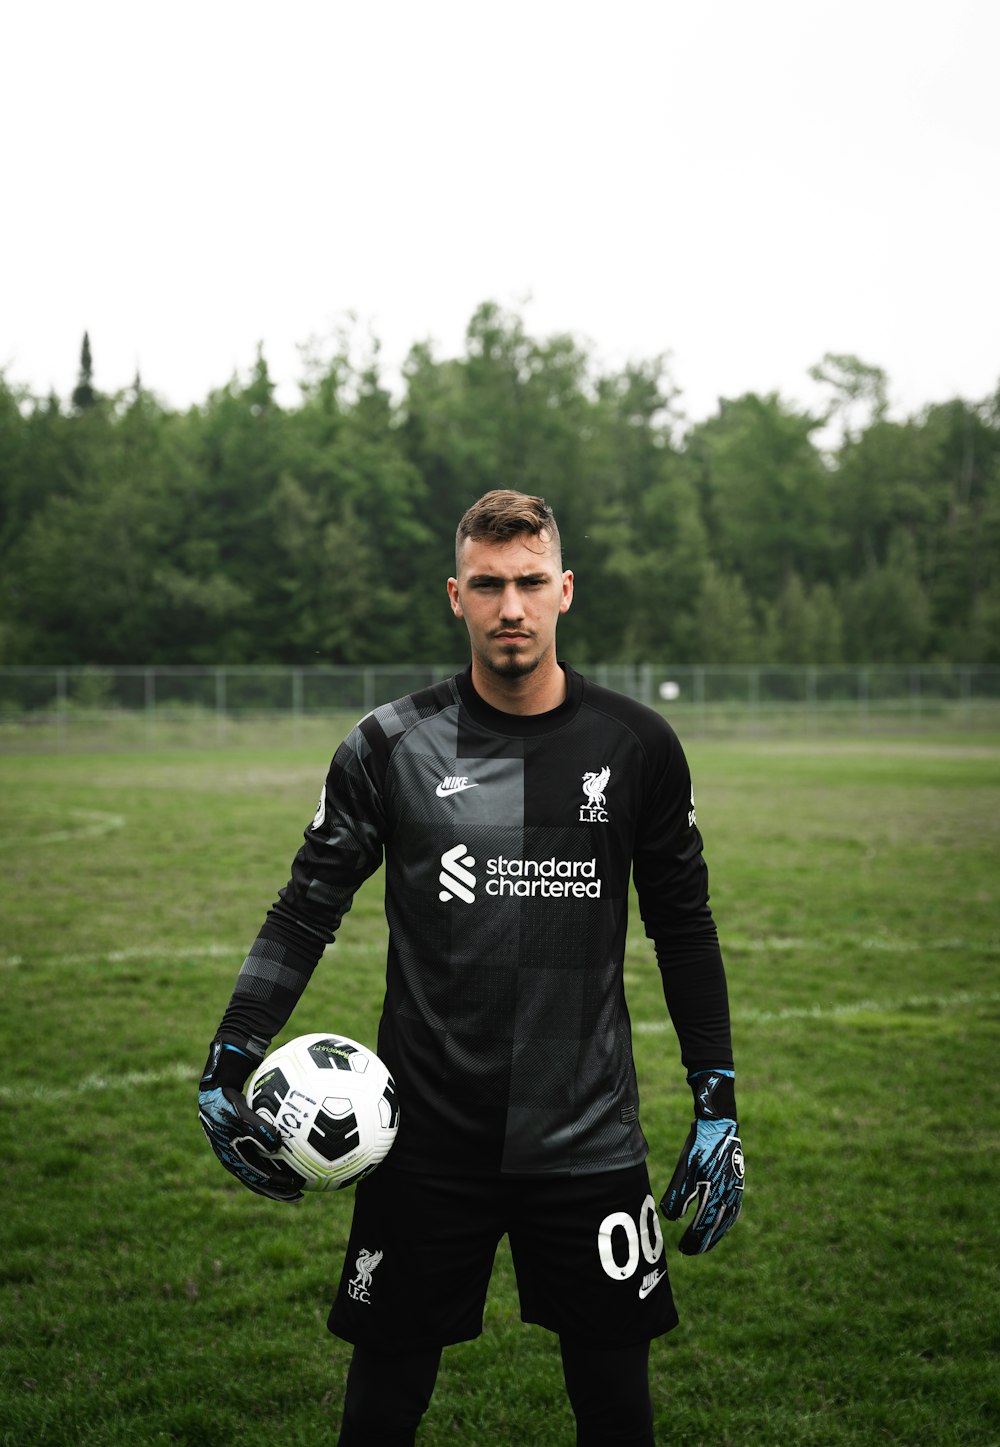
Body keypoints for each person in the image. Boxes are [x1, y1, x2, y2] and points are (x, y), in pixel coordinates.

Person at [198, 489, 744, 1446]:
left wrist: (719, 1099)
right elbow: (306, 907)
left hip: (587, 1136)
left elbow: (685, 927)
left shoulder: (637, 746)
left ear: (565, 589)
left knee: (618, 1407)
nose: (512, 608)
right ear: (456, 595)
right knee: (381, 1404)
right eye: (489, 585)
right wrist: (229, 1054)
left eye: (531, 582)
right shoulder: (388, 747)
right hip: (424, 1139)